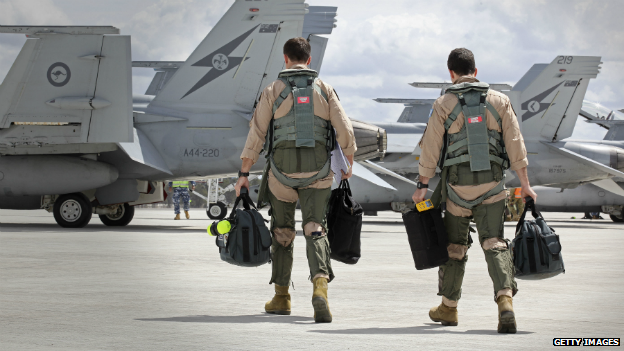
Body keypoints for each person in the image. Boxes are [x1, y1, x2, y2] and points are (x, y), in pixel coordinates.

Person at [412, 48, 537, 333]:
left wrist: (422, 186)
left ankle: (448, 308)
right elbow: (516, 144)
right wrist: (526, 184)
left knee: (455, 247)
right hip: (493, 186)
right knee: (494, 242)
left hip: (457, 188)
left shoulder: (443, 103)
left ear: (451, 73)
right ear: (476, 71)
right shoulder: (500, 100)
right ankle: (505, 302)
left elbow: (430, 149)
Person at [235, 37, 356, 323]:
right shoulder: (324, 89)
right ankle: (320, 290)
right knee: (315, 228)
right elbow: (344, 129)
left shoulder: (272, 90)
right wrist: (347, 163)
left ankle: (281, 297)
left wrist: (243, 173)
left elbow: (257, 134)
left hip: (281, 174)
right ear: (309, 60)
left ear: (286, 58)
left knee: (282, 232)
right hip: (318, 173)